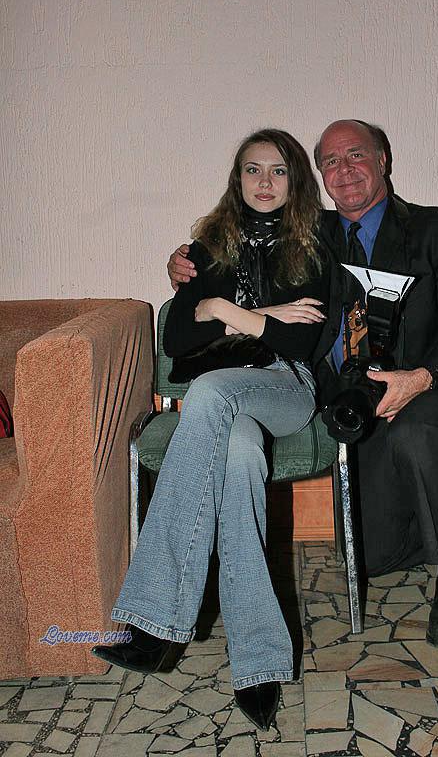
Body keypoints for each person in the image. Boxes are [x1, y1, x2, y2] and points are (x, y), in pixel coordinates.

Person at [167, 120, 438, 651]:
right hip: (354, 404)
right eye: (331, 161)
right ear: (320, 176)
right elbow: (241, 251)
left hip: (435, 391)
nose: (345, 170)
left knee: (418, 432)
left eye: (356, 155)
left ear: (382, 160)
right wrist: (187, 264)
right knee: (372, 556)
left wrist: (420, 378)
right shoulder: (310, 236)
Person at [92, 129, 333, 731]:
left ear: (295, 180)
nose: (265, 181)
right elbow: (176, 340)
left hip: (284, 387)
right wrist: (250, 314)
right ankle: (259, 664)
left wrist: (220, 313)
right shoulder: (206, 248)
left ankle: (156, 625)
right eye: (253, 169)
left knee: (207, 393)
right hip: (221, 401)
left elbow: (300, 342)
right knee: (240, 460)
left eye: (278, 170)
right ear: (236, 179)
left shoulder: (313, 243)